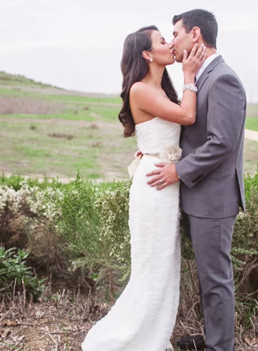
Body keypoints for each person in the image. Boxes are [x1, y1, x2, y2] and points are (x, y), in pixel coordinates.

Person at [81, 25, 206, 351]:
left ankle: (152, 335)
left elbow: (168, 133)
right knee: (152, 264)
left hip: (164, 179)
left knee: (163, 263)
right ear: (148, 54)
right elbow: (187, 116)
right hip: (154, 186)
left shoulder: (161, 90)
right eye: (163, 41)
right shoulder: (139, 89)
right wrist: (189, 73)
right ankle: (134, 339)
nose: (170, 43)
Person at [146, 9, 247, 351]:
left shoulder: (222, 79)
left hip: (214, 200)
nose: (172, 40)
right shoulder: (199, 77)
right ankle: (213, 340)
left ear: (196, 36)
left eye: (176, 34)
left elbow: (222, 143)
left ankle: (221, 348)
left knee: (216, 281)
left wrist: (177, 171)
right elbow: (191, 134)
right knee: (208, 279)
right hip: (197, 196)